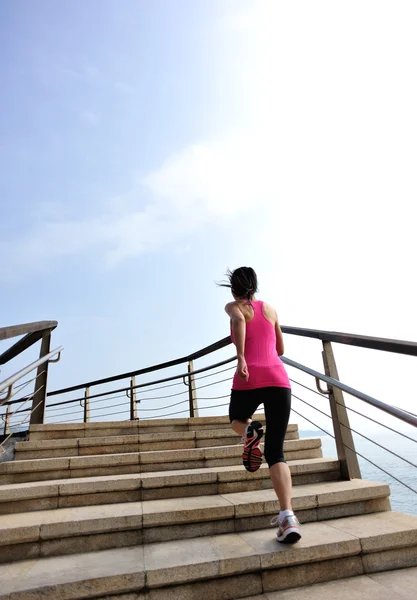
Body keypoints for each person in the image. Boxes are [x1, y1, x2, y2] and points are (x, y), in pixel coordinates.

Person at [220, 266, 301, 544]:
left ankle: (248, 431)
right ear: (254, 287)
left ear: (234, 289)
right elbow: (280, 349)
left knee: (235, 420)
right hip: (279, 378)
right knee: (276, 451)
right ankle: (288, 517)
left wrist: (241, 356)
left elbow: (239, 322)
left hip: (249, 375)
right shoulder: (270, 309)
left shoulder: (233, 306)